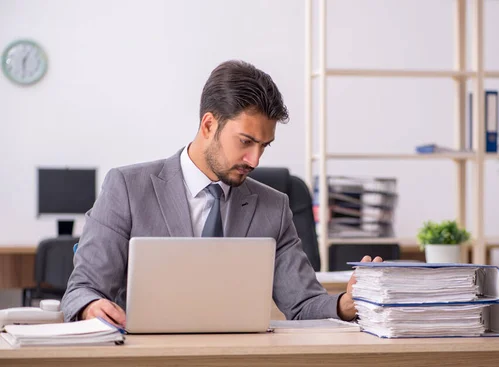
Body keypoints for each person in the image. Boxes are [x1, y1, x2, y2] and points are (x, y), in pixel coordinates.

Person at [61, 60, 382, 326]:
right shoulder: (128, 188)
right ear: (208, 125)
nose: (255, 160)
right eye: (245, 142)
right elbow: (82, 289)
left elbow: (303, 305)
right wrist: (92, 307)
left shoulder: (273, 207)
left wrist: (345, 304)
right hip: (146, 363)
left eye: (263, 146)